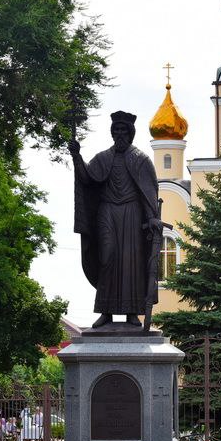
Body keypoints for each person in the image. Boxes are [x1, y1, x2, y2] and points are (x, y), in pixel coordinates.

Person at [70, 111, 163, 328]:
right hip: (107, 212)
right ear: (112, 133)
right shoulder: (103, 158)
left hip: (132, 213)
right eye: (116, 130)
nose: (119, 134)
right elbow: (87, 178)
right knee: (107, 256)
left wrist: (152, 218)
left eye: (123, 130)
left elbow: (149, 192)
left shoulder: (141, 159)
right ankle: (106, 311)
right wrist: (77, 157)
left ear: (130, 133)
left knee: (132, 262)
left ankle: (132, 312)